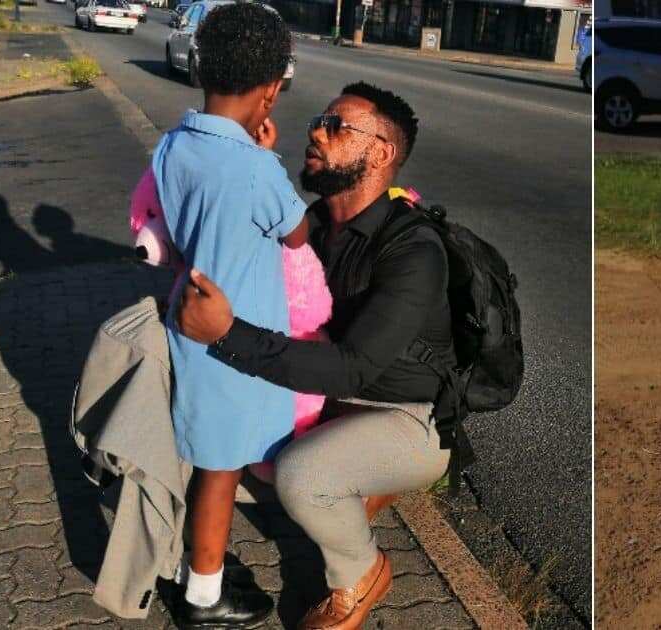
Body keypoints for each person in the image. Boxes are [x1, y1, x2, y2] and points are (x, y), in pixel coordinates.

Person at [175, 82, 455, 630]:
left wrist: (226, 334)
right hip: (332, 399)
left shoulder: (414, 250)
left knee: (300, 477)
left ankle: (360, 572)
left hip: (407, 416)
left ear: (380, 154)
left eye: (337, 126)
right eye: (319, 121)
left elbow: (351, 367)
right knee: (235, 451)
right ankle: (355, 484)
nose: (316, 132)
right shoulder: (318, 222)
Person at [151, 4, 306, 628]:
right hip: (233, 344)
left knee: (209, 458)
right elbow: (295, 235)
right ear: (271, 90)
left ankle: (201, 562)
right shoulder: (255, 166)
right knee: (219, 472)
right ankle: (203, 597)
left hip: (189, 324)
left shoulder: (173, 145)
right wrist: (268, 157)